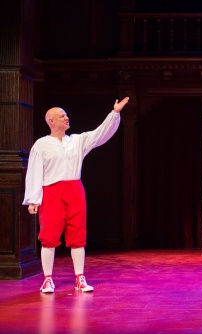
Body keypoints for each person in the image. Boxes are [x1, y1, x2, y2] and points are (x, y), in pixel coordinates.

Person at [23, 97, 130, 293]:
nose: (66, 117)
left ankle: (80, 278)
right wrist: (33, 199)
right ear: (51, 121)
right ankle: (47, 279)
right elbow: (34, 171)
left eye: (66, 115)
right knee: (49, 236)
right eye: (61, 116)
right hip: (52, 192)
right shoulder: (41, 144)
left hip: (74, 190)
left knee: (78, 235)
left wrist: (114, 113)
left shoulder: (77, 141)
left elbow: (100, 135)